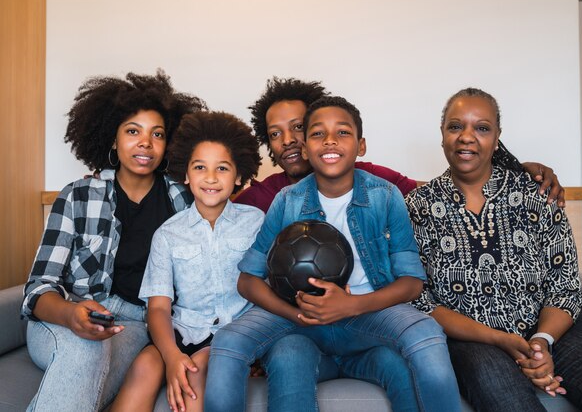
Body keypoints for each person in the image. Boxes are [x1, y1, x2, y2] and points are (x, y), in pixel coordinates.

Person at [205, 96, 462, 412]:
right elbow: (248, 281)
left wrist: (352, 304)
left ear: (361, 145)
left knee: (427, 333)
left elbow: (411, 282)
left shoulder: (385, 195)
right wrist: (297, 314)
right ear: (306, 146)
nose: (329, 140)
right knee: (228, 341)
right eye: (317, 133)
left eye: (342, 132)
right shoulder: (288, 200)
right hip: (300, 316)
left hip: (367, 312)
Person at [404, 87, 582, 411]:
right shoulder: (417, 207)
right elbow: (419, 300)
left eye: (482, 128)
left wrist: (541, 342)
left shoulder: (537, 193)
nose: (467, 137)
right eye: (455, 126)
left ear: (497, 139)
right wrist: (498, 339)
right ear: (442, 135)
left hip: (548, 329)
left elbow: (564, 285)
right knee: (500, 389)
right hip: (473, 342)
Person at [21, 70, 206, 412]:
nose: (145, 143)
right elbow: (38, 287)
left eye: (158, 134)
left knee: (92, 359)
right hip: (62, 318)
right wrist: (71, 313)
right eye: (133, 131)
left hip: (135, 324)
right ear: (113, 139)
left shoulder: (185, 201)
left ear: (169, 144)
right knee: (83, 347)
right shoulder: (77, 196)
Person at [110, 111, 264, 412]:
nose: (210, 177)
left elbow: (269, 288)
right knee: (145, 365)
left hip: (235, 334)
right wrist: (170, 356)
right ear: (185, 174)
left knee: (197, 369)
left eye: (222, 168)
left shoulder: (256, 222)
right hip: (183, 330)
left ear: (238, 176)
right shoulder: (168, 233)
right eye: (200, 167)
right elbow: (157, 307)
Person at [234, 77, 565, 213]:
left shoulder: (370, 180)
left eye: (298, 128)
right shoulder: (260, 198)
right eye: (275, 133)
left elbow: (438, 193)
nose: (289, 139)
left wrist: (515, 170)